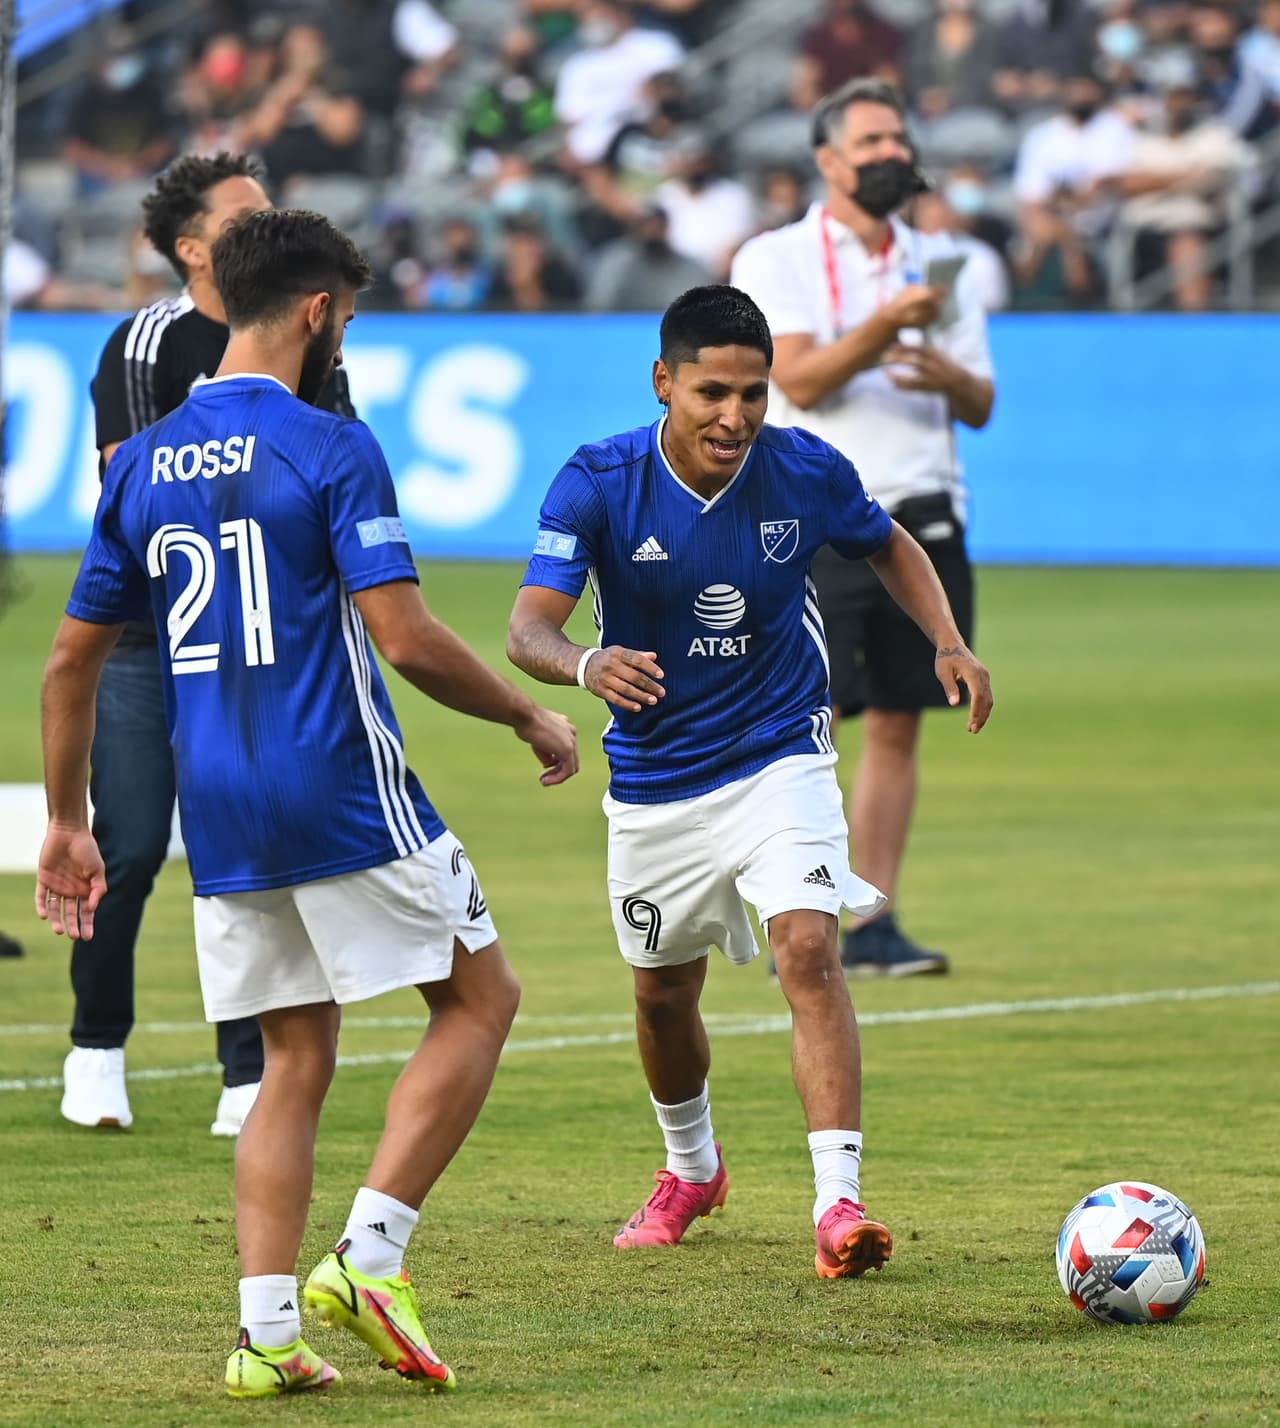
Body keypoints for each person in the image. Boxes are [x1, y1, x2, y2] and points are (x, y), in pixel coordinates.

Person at [36, 208, 579, 1399]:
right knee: (480, 997)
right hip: (333, 782)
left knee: (293, 1054)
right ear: (320, 310)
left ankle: (266, 1334)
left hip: (217, 804)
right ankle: (372, 1258)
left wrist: (69, 820)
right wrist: (528, 715)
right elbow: (404, 636)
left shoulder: (139, 465)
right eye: (351, 314)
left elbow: (70, 661)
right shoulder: (330, 446)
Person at [507, 284, 991, 1275]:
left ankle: (838, 1206)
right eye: (712, 393)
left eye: (754, 394)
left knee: (807, 952)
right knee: (658, 997)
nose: (734, 416)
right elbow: (527, 627)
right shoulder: (596, 481)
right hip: (654, 778)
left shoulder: (803, 469)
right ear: (663, 383)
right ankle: (692, 1170)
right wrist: (584, 665)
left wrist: (946, 640)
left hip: (780, 753)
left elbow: (885, 541)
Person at [71, 152, 357, 1138]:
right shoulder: (145, 344)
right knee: (136, 842)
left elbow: (331, 470)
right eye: (242, 214)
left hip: (269, 642)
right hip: (154, 643)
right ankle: (96, 1046)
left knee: (242, 851)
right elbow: (131, 489)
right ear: (191, 247)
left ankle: (246, 1068)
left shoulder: (312, 337)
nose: (264, 220)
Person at [730, 78, 996, 976]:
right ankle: (796, 918)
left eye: (898, 138)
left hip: (923, 511)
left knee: (898, 722)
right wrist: (887, 326)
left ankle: (873, 918)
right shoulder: (776, 259)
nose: (891, 153)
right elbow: (799, 381)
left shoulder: (942, 261)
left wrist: (939, 371)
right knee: (811, 717)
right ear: (828, 159)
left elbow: (982, 398)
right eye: (872, 140)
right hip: (817, 515)